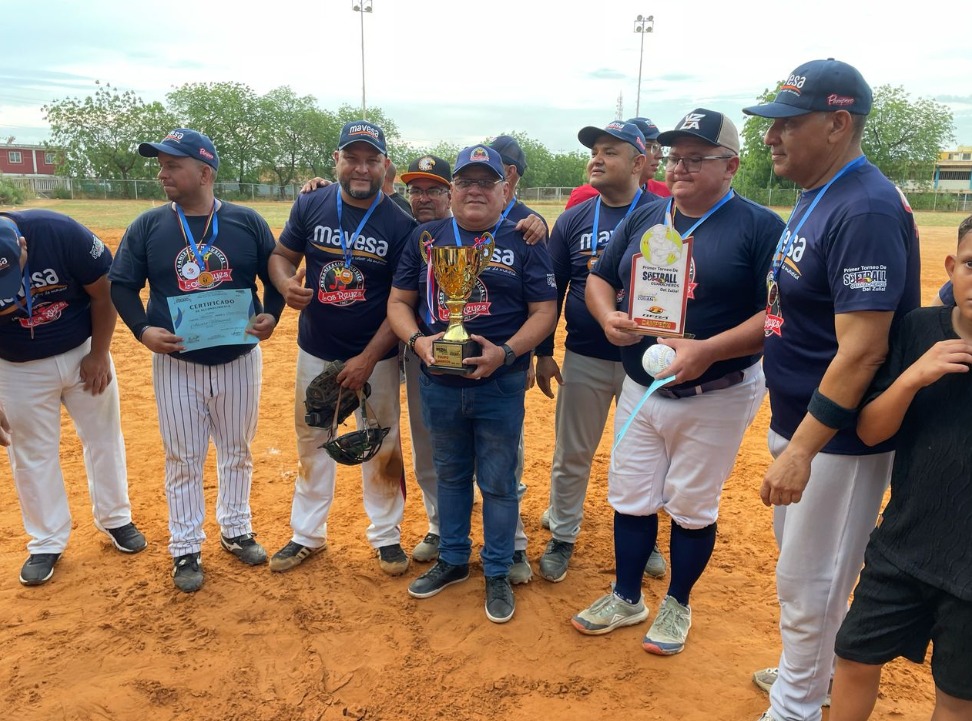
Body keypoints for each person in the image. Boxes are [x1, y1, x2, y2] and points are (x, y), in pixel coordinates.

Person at [742, 59, 921, 721]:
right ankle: (805, 676)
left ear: (839, 123)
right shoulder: (821, 191)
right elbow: (794, 311)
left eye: (789, 124)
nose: (771, 138)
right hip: (805, 420)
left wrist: (803, 450)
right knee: (805, 572)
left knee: (811, 581)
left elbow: (864, 348)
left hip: (840, 439)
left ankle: (795, 707)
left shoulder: (865, 205)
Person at [570, 109, 783, 656]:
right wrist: (607, 317)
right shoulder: (647, 215)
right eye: (674, 156)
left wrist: (709, 349)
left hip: (715, 390)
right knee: (631, 496)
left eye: (695, 157)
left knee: (692, 505)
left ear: (731, 165)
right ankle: (626, 596)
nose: (679, 166)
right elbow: (598, 278)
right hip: (641, 385)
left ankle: (678, 602)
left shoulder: (760, 227)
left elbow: (776, 314)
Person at [387, 144, 557, 623]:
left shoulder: (525, 239)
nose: (475, 190)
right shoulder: (426, 239)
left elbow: (545, 311)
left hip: (499, 382)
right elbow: (399, 304)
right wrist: (420, 344)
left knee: (500, 482)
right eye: (466, 182)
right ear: (453, 190)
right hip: (437, 380)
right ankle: (454, 559)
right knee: (451, 474)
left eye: (486, 182)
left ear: (505, 190)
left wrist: (507, 352)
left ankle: (499, 569)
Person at [110, 128, 283, 593]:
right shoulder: (148, 226)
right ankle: (185, 545)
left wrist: (272, 314)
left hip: (239, 358)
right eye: (160, 165)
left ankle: (235, 529)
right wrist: (142, 330)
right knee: (183, 456)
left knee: (237, 451)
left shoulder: (247, 222)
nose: (162, 173)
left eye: (172, 165)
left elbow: (276, 275)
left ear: (204, 172)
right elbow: (122, 285)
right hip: (177, 362)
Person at [827, 215, 972, 721]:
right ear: (952, 267)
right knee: (853, 656)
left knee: (957, 698)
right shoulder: (916, 331)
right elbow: (870, 431)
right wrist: (913, 376)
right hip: (905, 543)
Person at [268, 120, 416, 577]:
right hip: (316, 345)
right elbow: (281, 257)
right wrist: (284, 286)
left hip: (378, 354)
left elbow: (400, 302)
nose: (361, 167)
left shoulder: (400, 223)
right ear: (336, 160)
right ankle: (306, 535)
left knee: (384, 443)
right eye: (352, 157)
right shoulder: (311, 202)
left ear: (384, 165)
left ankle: (387, 537)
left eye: (371, 159)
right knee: (312, 440)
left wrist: (368, 359)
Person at [532, 120, 661, 583]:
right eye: (594, 151)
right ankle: (563, 534)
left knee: (646, 456)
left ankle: (645, 539)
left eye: (610, 151)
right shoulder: (573, 219)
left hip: (645, 362)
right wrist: (544, 351)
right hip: (584, 354)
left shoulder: (664, 214)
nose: (597, 158)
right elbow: (551, 290)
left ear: (639, 163)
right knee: (572, 453)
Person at [0, 211, 146, 587]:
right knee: (30, 452)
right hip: (16, 367)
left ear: (21, 246)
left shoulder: (61, 233)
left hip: (81, 349)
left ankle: (115, 518)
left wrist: (98, 354)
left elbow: (105, 291)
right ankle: (47, 540)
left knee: (103, 436)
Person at [565, 117, 671, 210]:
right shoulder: (582, 197)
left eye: (660, 148)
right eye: (651, 146)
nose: (660, 155)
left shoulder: (667, 195)